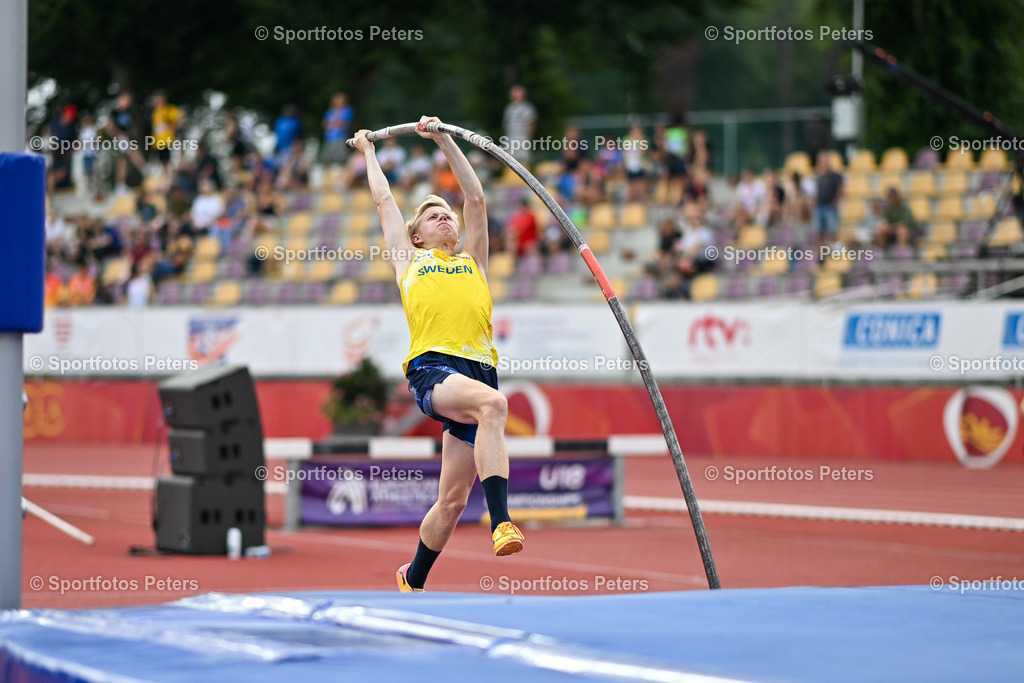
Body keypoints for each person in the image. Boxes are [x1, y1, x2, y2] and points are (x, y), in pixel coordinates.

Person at [352, 116, 524, 593]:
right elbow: (385, 200)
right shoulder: (409, 262)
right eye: (431, 215)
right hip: (434, 369)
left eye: (445, 213)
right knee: (494, 406)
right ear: (417, 237)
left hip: (479, 372)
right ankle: (502, 523)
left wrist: (444, 139)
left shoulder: (475, 263)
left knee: (450, 501)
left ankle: (414, 578)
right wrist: (368, 149)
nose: (444, 216)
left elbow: (476, 199)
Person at [814, 150, 843, 250]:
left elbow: (840, 190)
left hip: (830, 207)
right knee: (820, 233)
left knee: (832, 232)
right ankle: (821, 257)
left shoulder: (835, 176)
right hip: (819, 207)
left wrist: (834, 203)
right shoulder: (819, 176)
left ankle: (834, 253)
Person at [502, 84, 536, 167]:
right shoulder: (509, 108)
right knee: (509, 156)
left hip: (522, 136)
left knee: (523, 157)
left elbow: (531, 123)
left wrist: (528, 135)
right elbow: (506, 123)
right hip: (511, 137)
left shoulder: (527, 108)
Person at [322, 92, 354, 165]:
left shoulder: (347, 110)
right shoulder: (331, 111)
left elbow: (344, 123)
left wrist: (332, 123)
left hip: (341, 137)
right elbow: (324, 123)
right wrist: (336, 123)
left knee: (341, 159)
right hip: (329, 138)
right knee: (327, 159)